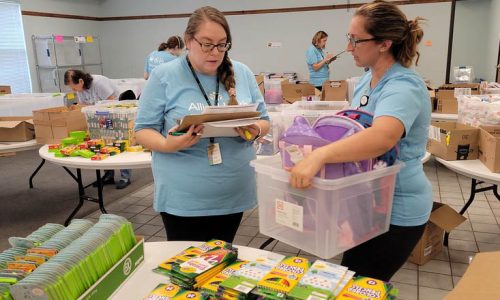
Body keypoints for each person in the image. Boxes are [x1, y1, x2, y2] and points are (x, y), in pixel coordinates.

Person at [290, 0, 432, 281]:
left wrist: (319, 156)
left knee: (363, 283)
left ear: (384, 43)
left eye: (356, 40)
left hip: (397, 209)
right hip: (369, 203)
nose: (349, 47)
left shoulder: (403, 85)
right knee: (352, 279)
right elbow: (355, 130)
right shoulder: (368, 80)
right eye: (348, 38)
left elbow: (382, 137)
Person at [134, 6, 270, 243]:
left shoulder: (242, 72)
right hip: (184, 199)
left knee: (220, 265)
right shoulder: (164, 75)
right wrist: (169, 144)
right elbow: (142, 131)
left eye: (222, 44)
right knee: (185, 270)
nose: (215, 52)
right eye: (206, 44)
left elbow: (264, 121)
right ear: (188, 40)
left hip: (233, 193)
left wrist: (254, 129)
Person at [64, 70, 132, 189]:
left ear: (80, 81)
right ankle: (108, 175)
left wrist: (99, 113)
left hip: (115, 114)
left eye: (74, 88)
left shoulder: (99, 82)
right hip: (98, 117)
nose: (74, 91)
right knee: (102, 143)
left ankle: (125, 176)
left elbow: (112, 101)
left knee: (119, 142)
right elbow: (83, 106)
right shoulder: (81, 89)